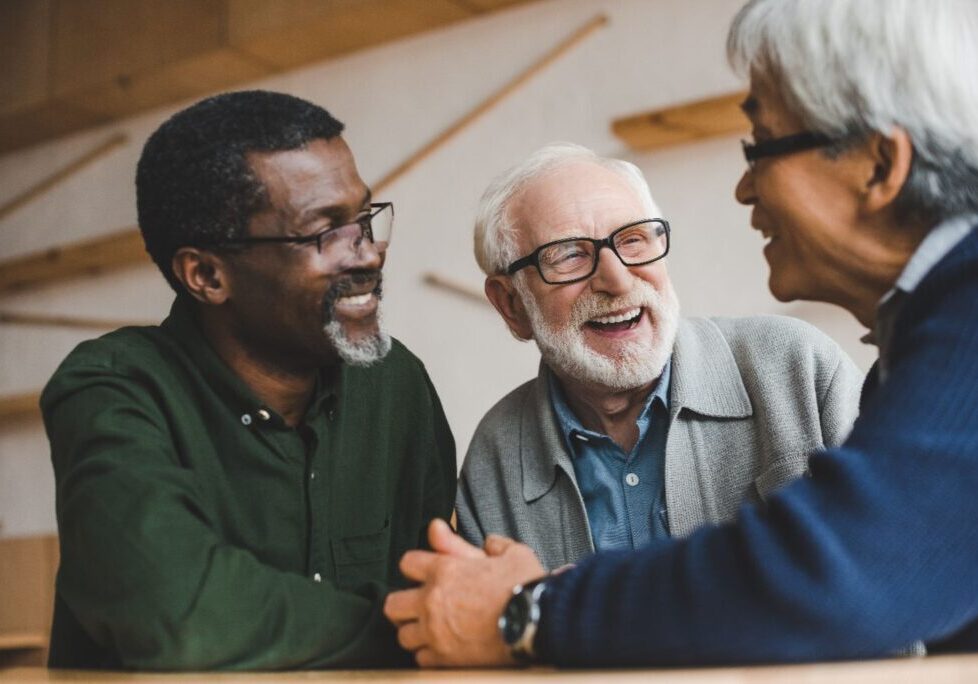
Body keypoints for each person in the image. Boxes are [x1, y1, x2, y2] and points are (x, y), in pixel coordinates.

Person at [384, 0, 978, 667]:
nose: (743, 189)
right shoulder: (930, 331)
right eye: (570, 256)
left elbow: (850, 574)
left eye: (762, 147)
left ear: (877, 165)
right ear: (512, 306)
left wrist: (526, 610)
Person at [41, 91, 456, 670]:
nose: (367, 253)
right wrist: (415, 627)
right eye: (323, 232)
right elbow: (178, 616)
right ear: (207, 274)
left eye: (363, 219)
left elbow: (439, 586)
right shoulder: (113, 387)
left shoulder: (396, 383)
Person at [456, 143, 862, 572]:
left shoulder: (798, 367)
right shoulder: (496, 455)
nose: (616, 279)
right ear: (511, 305)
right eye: (570, 255)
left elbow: (907, 574)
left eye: (632, 240)